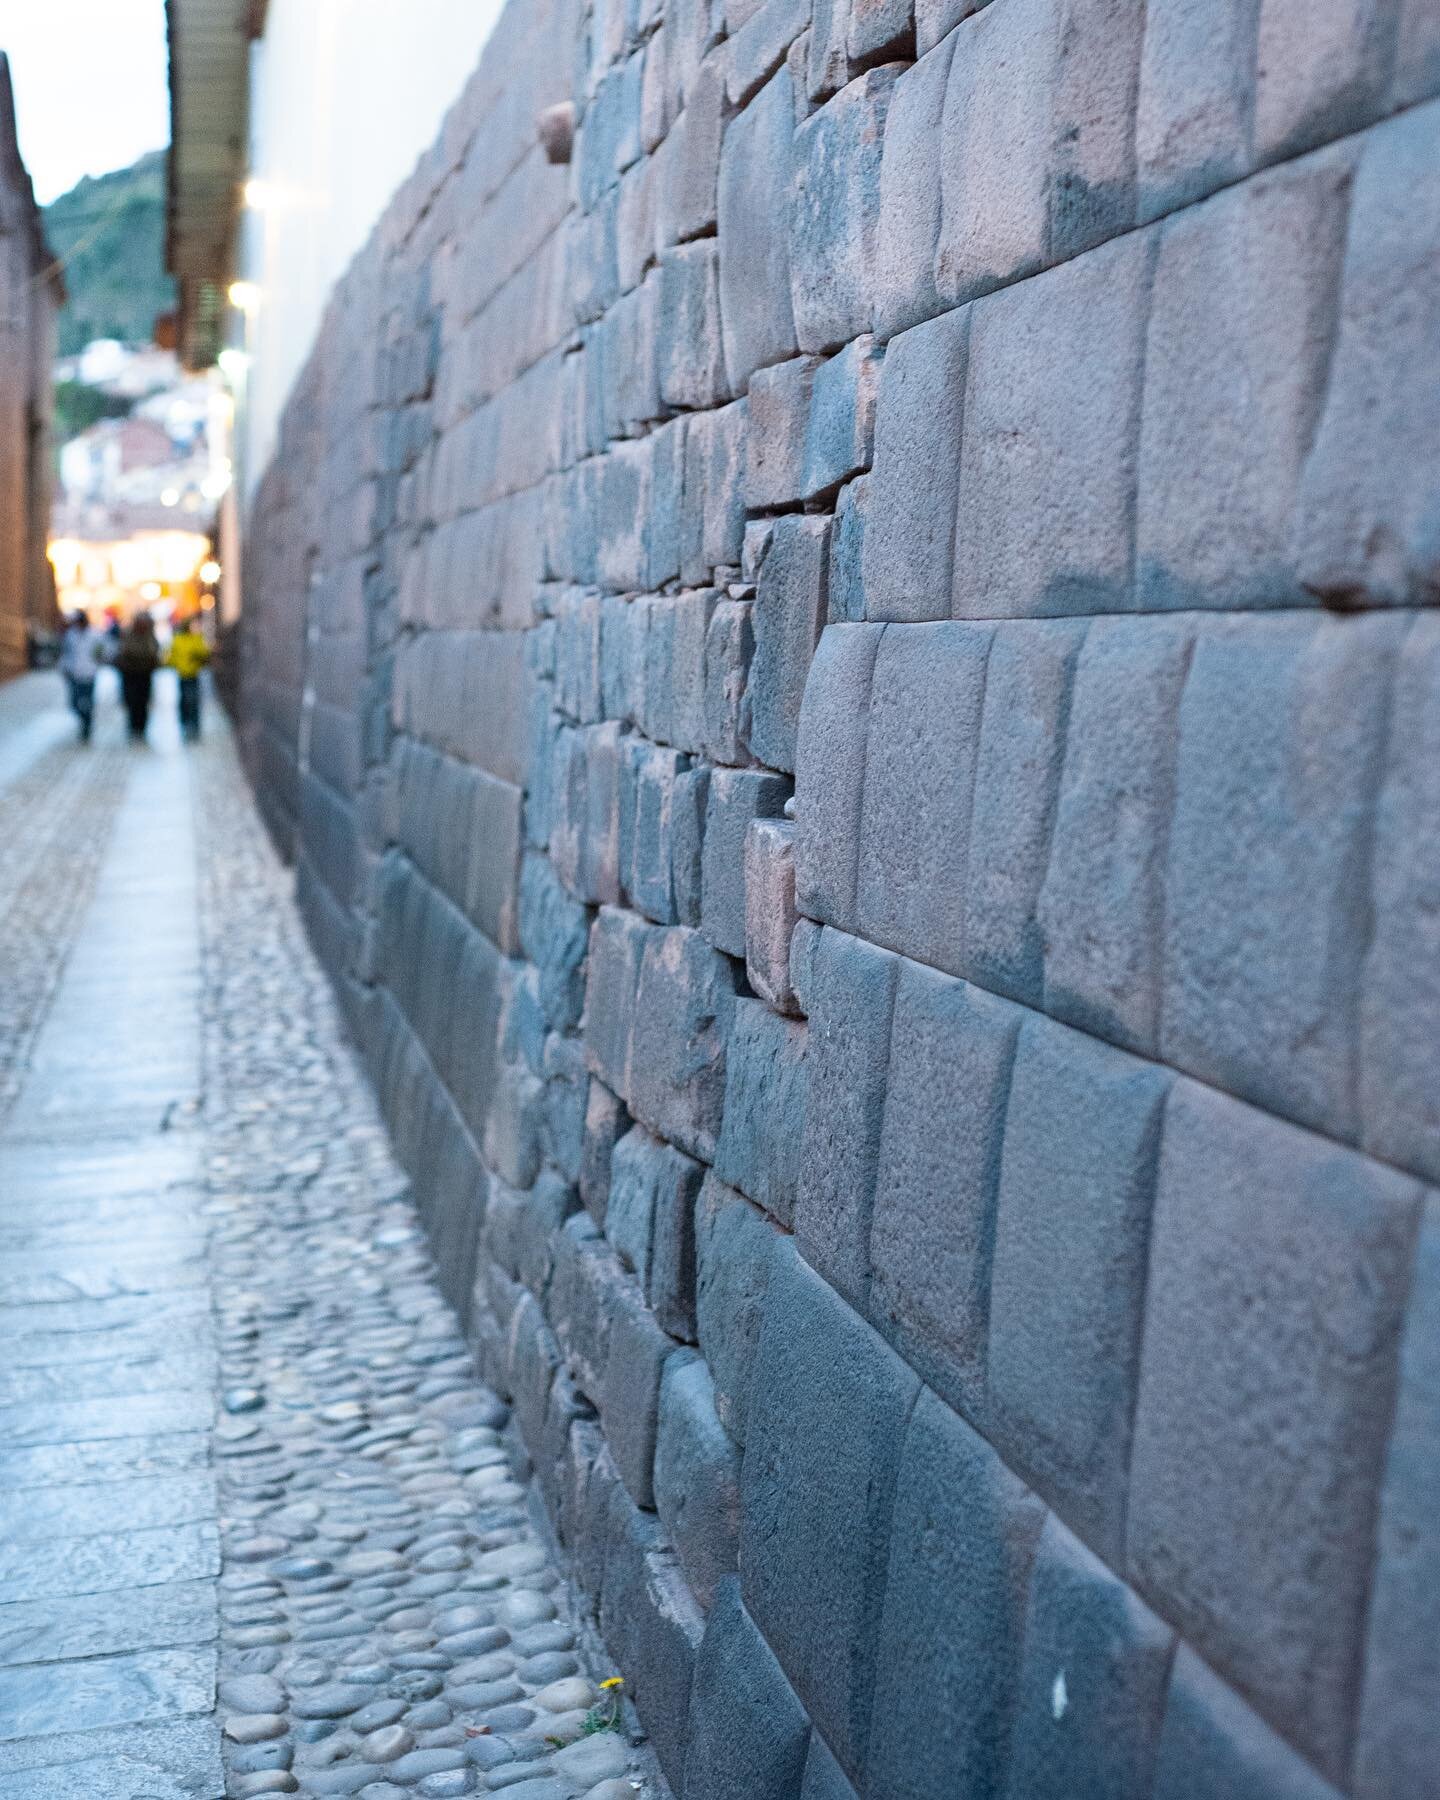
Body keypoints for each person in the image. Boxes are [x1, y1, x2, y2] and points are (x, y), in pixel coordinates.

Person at [115, 612, 161, 740]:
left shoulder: (149, 636)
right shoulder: (128, 635)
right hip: (130, 674)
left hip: (144, 674)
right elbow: (125, 651)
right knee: (132, 701)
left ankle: (141, 727)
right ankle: (133, 726)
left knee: (143, 701)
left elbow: (154, 651)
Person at [58, 610, 103, 742]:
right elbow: (66, 653)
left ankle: (87, 726)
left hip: (89, 673)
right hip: (74, 673)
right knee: (74, 703)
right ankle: (83, 719)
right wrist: (64, 668)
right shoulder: (71, 635)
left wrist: (97, 661)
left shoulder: (94, 635)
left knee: (88, 701)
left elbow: (101, 650)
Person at [166, 614, 212, 740]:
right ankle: (186, 724)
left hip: (193, 674)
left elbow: (203, 653)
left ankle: (193, 725)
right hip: (182, 675)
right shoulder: (179, 639)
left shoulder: (195, 638)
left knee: (193, 700)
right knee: (184, 700)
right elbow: (171, 656)